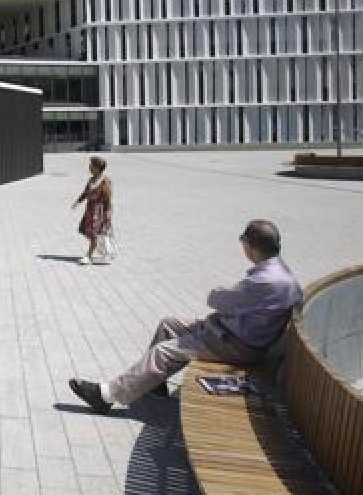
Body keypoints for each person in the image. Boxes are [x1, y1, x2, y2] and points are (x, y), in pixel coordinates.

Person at [68, 219, 302, 413]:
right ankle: (154, 385)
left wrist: (220, 292)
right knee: (168, 324)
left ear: (250, 246)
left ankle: (107, 395)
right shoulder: (282, 273)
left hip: (236, 345)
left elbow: (217, 300)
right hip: (233, 333)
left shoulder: (265, 281)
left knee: (163, 352)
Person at [70, 156, 113, 264]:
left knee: (95, 233)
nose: (89, 167)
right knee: (92, 233)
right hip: (90, 210)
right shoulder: (91, 180)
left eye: (91, 166)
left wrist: (107, 215)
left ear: (98, 168)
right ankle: (106, 251)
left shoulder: (105, 181)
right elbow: (85, 193)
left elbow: (108, 200)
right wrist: (78, 201)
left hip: (99, 211)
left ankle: (88, 256)